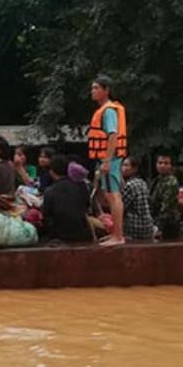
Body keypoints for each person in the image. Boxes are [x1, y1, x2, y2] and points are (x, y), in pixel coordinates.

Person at [88, 76, 127, 245]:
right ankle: (115, 235)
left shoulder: (109, 111)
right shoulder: (104, 110)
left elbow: (113, 135)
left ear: (106, 90)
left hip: (110, 159)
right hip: (109, 159)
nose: (93, 91)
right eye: (92, 88)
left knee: (113, 196)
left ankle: (118, 236)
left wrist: (107, 160)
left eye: (96, 88)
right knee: (109, 195)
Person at [40, 154, 91, 242]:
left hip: (59, 235)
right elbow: (87, 207)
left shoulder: (50, 191)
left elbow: (46, 216)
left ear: (51, 171)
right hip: (81, 232)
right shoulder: (82, 186)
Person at [120, 158, 155, 242]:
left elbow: (121, 207)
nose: (123, 168)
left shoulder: (129, 185)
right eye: (122, 165)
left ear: (135, 169)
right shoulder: (142, 182)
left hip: (134, 225)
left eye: (126, 165)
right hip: (148, 224)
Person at [148, 153, 181, 240]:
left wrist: (158, 227)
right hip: (156, 219)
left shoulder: (171, 182)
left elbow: (167, 207)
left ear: (171, 166)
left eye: (166, 163)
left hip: (168, 223)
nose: (162, 166)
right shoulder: (157, 179)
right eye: (160, 163)